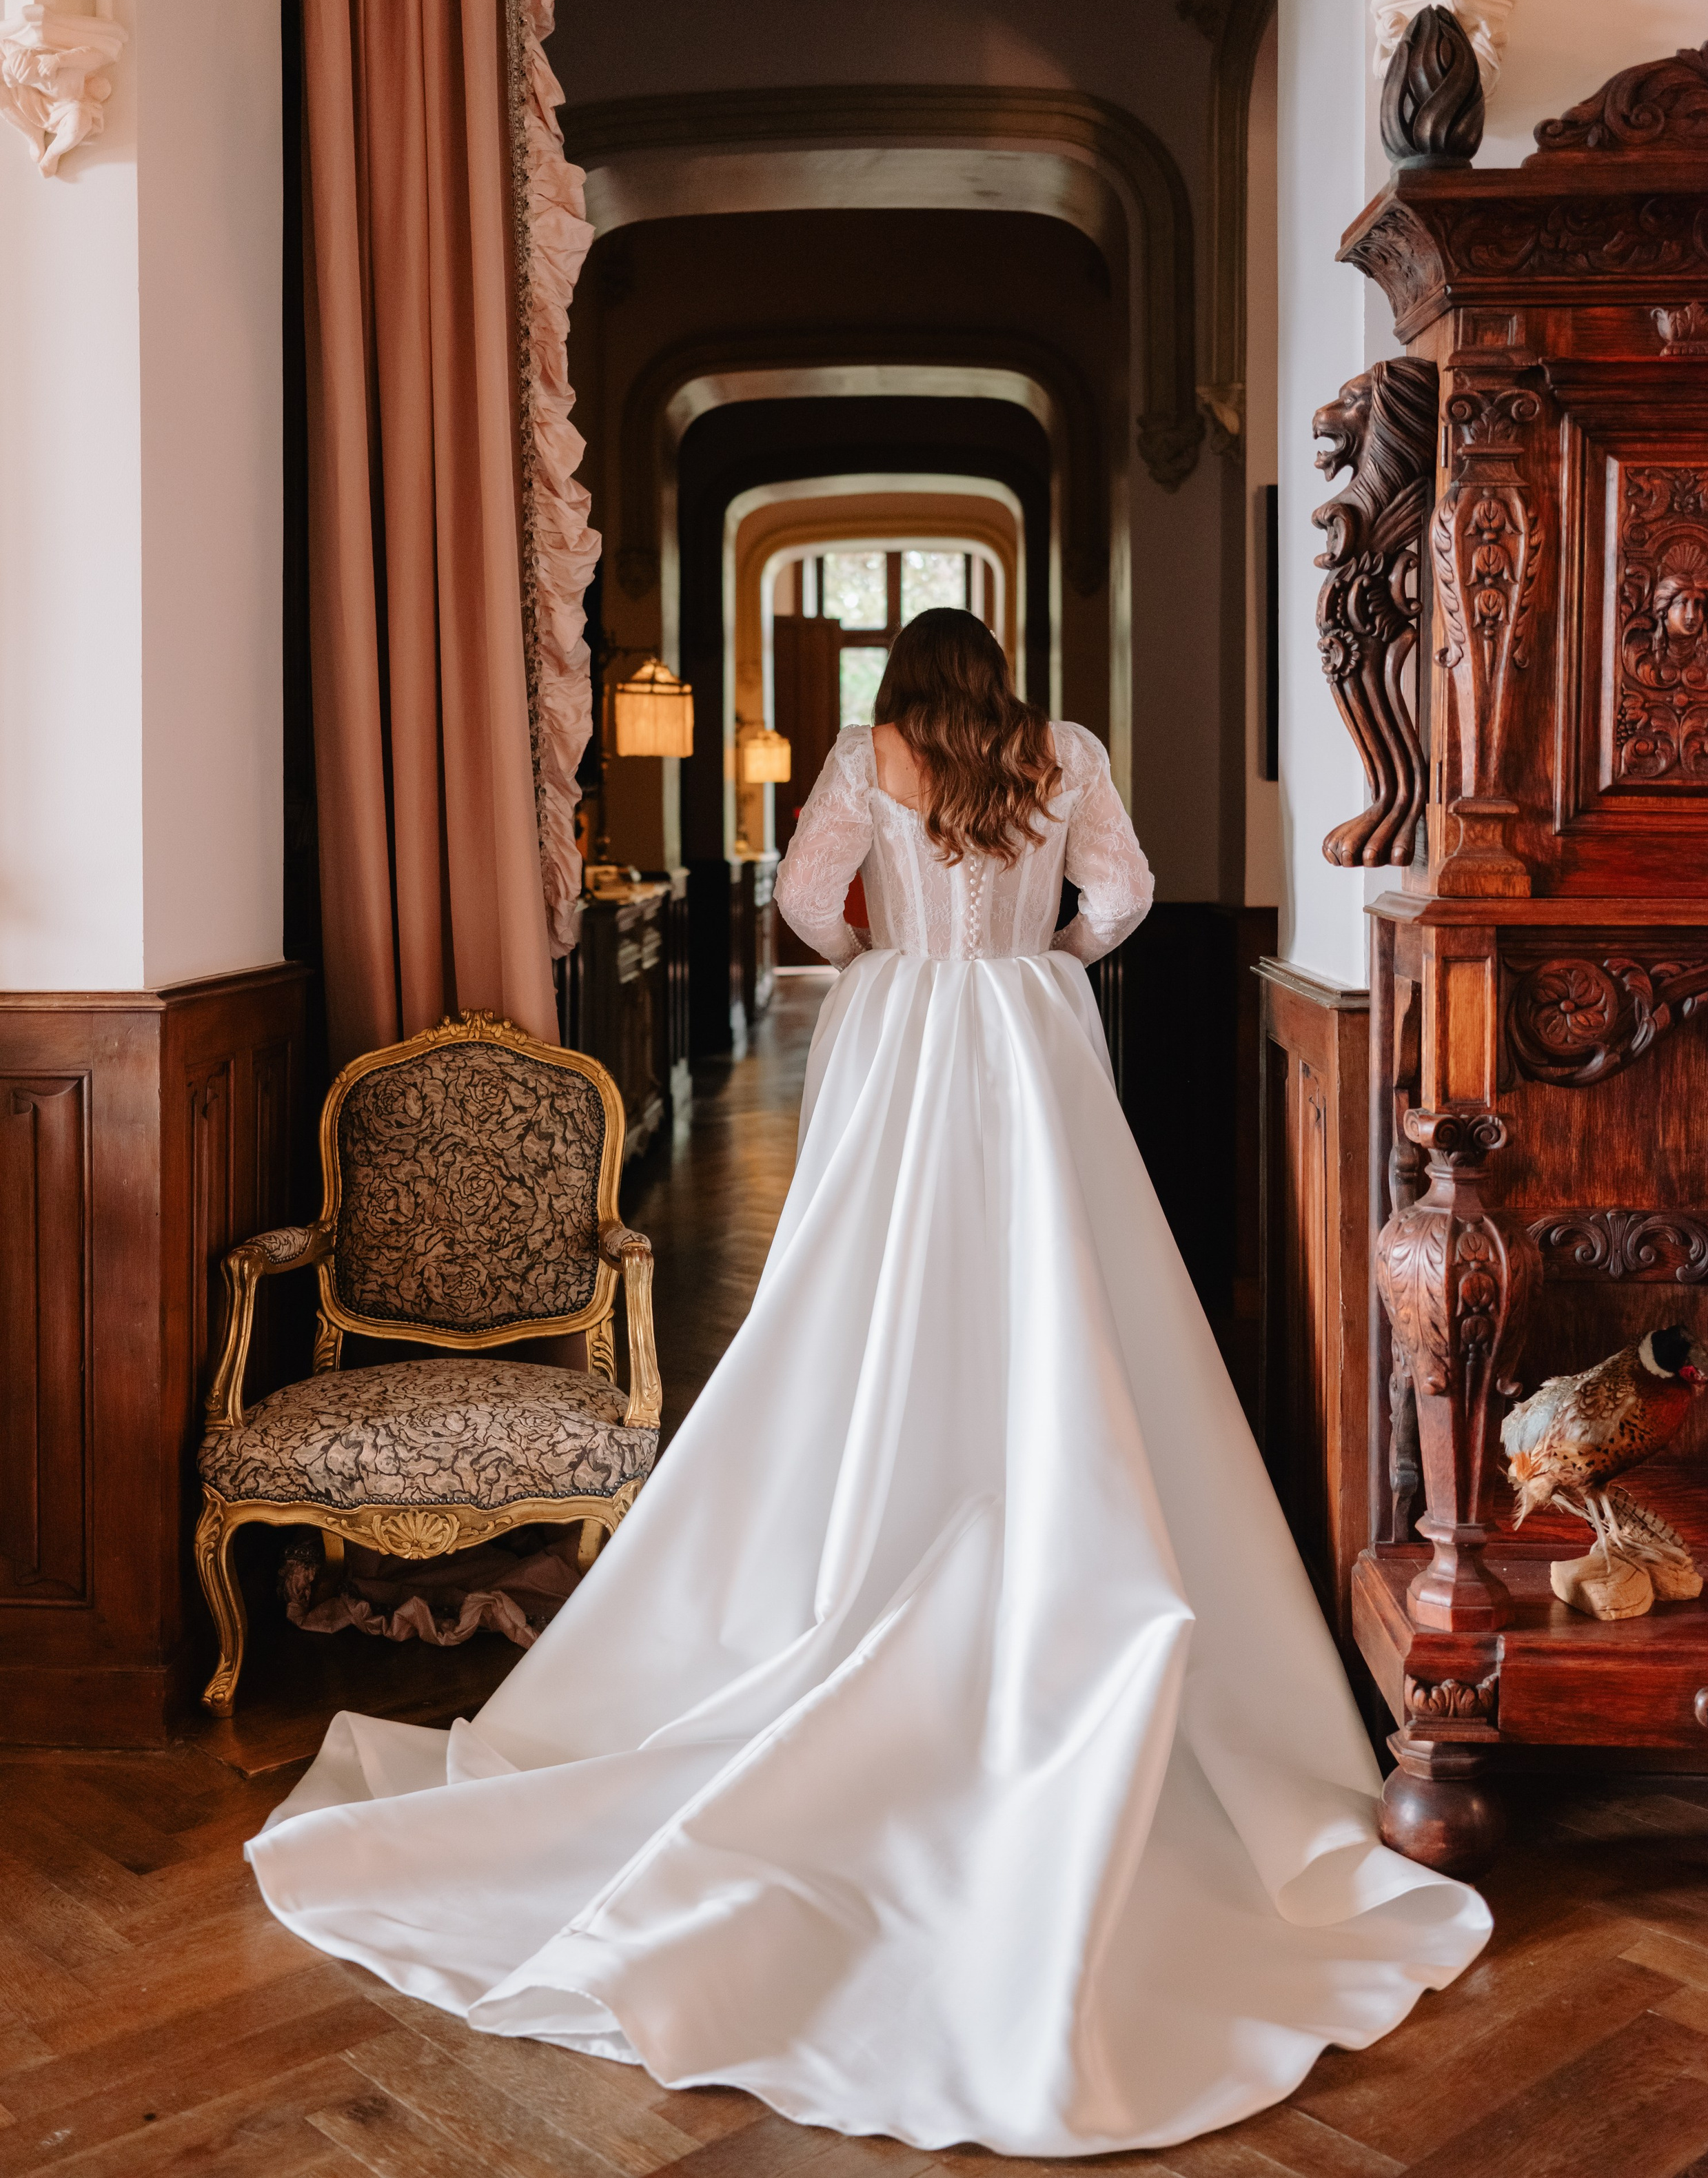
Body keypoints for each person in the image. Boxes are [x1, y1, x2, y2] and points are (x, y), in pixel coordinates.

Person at [246, 610, 1489, 2156]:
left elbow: (800, 905)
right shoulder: (1064, 751)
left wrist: (889, 956)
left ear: (900, 687)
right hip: (1029, 1036)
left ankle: (866, 1514)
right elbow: (1131, 897)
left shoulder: (862, 753)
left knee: (862, 1281)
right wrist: (1042, 959)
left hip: (901, 1031)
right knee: (1066, 1283)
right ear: (1002, 681)